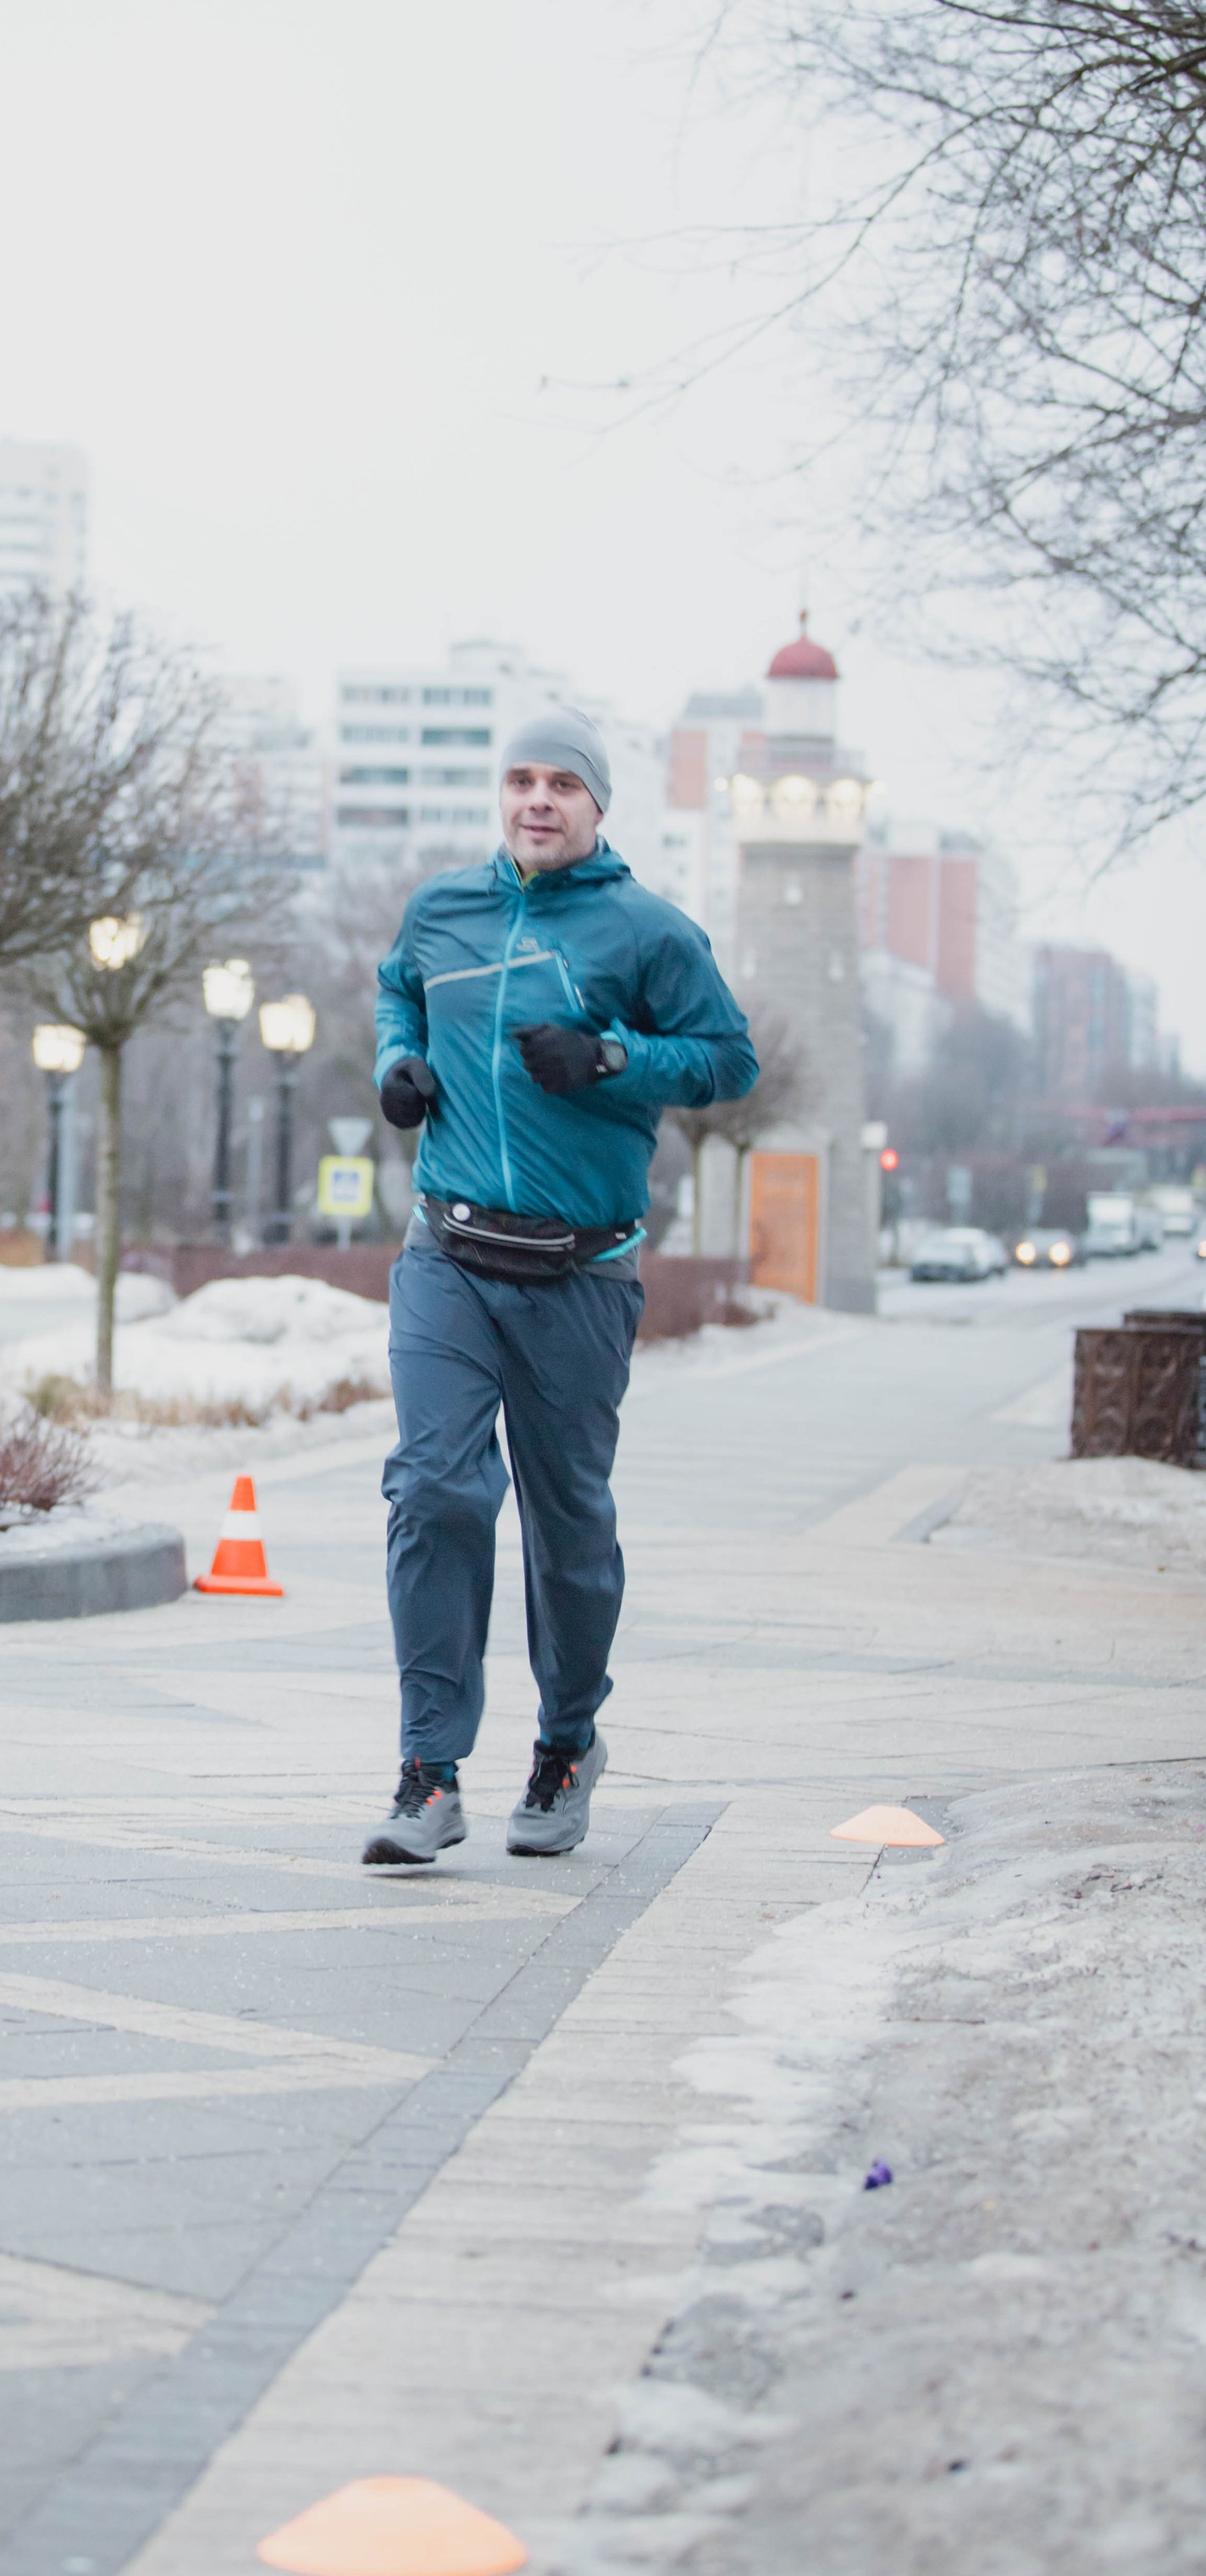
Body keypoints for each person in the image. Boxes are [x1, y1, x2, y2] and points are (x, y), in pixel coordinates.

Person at [365, 708, 755, 1866]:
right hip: (446, 1253)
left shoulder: (647, 931)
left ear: (597, 807)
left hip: (578, 1274)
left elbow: (730, 1059)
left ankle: (569, 1743)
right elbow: (399, 988)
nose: (538, 799)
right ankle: (429, 1773)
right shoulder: (445, 908)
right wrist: (399, 1062)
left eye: (562, 785)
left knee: (567, 1524)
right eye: (521, 780)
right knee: (432, 1489)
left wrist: (616, 1059)